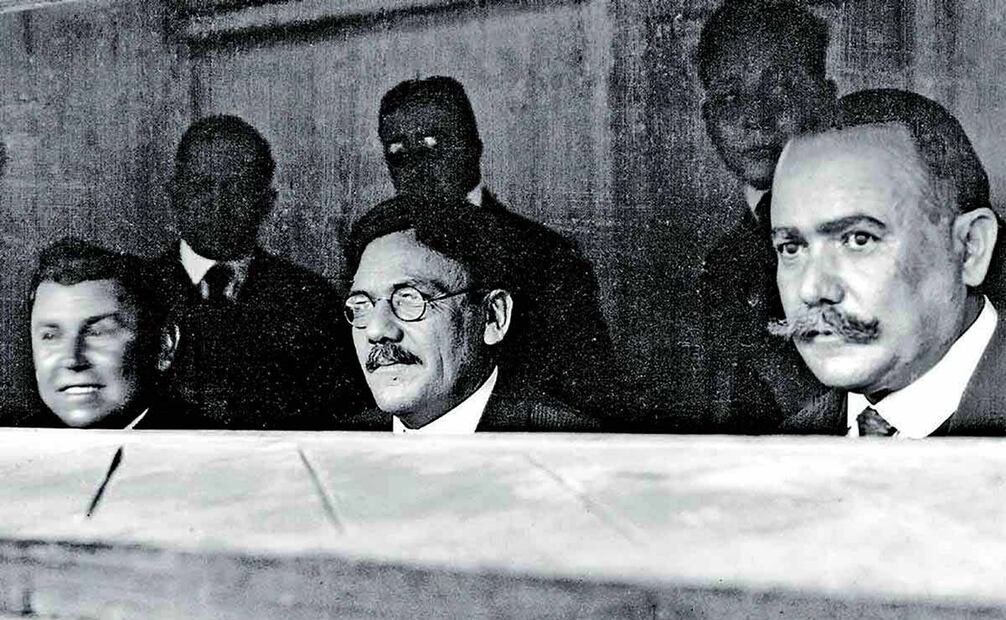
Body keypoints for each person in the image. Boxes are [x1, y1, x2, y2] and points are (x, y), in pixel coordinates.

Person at [376, 76, 620, 423]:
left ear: (473, 148)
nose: (416, 168)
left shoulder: (547, 256)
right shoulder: (374, 252)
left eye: (433, 147)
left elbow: (586, 391)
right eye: (398, 155)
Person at [770, 89, 1004, 437]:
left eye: (859, 239)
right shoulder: (784, 447)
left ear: (970, 248)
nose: (812, 289)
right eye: (791, 248)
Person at [156, 115, 362, 429]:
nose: (218, 205)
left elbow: (343, 416)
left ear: (267, 202)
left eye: (238, 188)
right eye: (201, 187)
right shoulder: (138, 290)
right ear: (175, 194)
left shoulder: (311, 301)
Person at [342, 194, 599, 433]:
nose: (376, 330)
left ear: (493, 317)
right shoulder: (339, 442)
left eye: (409, 299)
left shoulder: (573, 443)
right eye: (361, 305)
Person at [695, 0, 836, 432]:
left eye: (781, 89)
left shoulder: (870, 232)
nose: (755, 117)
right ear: (708, 119)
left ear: (825, 100)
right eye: (729, 96)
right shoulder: (723, 262)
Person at [14, 239, 181, 429]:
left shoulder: (207, 442)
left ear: (164, 345)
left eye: (97, 333)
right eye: (50, 336)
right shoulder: (11, 443)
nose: (73, 360)